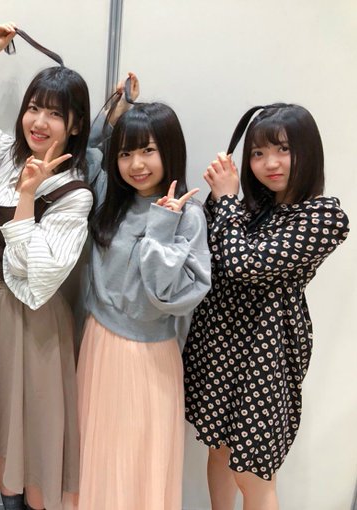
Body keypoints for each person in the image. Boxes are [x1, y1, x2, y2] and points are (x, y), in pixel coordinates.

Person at [183, 103, 350, 510]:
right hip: (220, 342)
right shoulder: (251, 209)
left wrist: (226, 199)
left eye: (283, 149)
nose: (270, 163)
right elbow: (209, 252)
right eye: (258, 153)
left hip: (265, 352)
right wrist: (217, 202)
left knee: (253, 472)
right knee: (219, 449)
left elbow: (245, 265)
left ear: (307, 151)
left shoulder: (323, 216)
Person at [0, 24, 93, 510]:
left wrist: (26, 197)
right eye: (33, 108)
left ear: (75, 125)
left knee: (35, 434)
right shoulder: (5, 155)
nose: (39, 121)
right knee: (0, 427)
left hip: (37, 319)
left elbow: (40, 274)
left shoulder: (75, 191)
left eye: (55, 113)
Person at [78, 76, 211, 510]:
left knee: (139, 461)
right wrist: (116, 109)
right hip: (99, 342)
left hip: (150, 356)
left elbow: (167, 296)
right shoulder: (108, 197)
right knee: (97, 452)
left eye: (148, 150)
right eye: (126, 153)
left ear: (169, 151)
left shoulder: (188, 216)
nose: (136, 164)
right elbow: (87, 154)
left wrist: (162, 225)